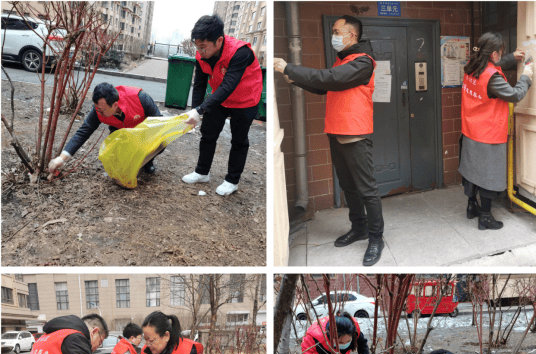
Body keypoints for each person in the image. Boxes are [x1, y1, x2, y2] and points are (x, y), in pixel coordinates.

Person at [274, 15, 385, 266]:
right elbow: (326, 86)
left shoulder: (363, 62)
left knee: (367, 190)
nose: (333, 35)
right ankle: (359, 228)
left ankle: (376, 238)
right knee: (349, 187)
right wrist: (296, 79)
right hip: (337, 132)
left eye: (337, 31)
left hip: (355, 135)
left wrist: (288, 68)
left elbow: (330, 79)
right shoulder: (344, 60)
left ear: (351, 36)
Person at [182, 15, 263, 196]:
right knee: (208, 134)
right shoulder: (201, 55)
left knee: (239, 140)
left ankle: (232, 181)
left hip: (246, 99)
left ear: (219, 41)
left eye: (203, 47)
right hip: (220, 98)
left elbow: (229, 85)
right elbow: (200, 84)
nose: (199, 51)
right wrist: (196, 110)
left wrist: (202, 108)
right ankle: (202, 172)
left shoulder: (240, 52)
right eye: (197, 46)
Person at [459, 32, 533, 230]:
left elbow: (491, 67)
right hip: (488, 134)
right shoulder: (492, 77)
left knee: (472, 172)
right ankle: (485, 217)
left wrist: (510, 58)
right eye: (501, 52)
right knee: (488, 176)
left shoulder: (471, 67)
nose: (501, 54)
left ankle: (471, 207)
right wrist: (526, 76)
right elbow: (515, 95)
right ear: (493, 54)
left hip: (470, 130)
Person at [48, 83, 163, 178]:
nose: (98, 112)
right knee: (118, 152)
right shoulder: (98, 109)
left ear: (115, 105)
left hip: (143, 131)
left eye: (101, 110)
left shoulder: (140, 98)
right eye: (96, 108)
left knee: (160, 143)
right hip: (119, 130)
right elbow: (83, 132)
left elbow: (160, 123)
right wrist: (61, 158)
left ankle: (147, 162)